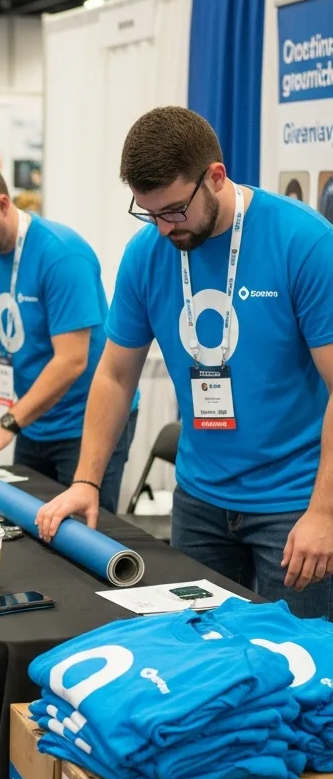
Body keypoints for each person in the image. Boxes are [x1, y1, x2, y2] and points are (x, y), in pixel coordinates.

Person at [37, 106, 333, 617]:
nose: (163, 227)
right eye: (148, 213)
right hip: (199, 501)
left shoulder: (304, 243)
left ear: (215, 177)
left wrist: (325, 512)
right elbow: (113, 373)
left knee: (296, 673)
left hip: (294, 504)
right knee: (197, 662)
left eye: (174, 210)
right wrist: (86, 480)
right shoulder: (147, 254)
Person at [0, 157, 136, 507]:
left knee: (83, 541)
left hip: (87, 422)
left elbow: (72, 360)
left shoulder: (61, 255)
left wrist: (7, 424)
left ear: (2, 205)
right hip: (34, 420)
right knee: (27, 530)